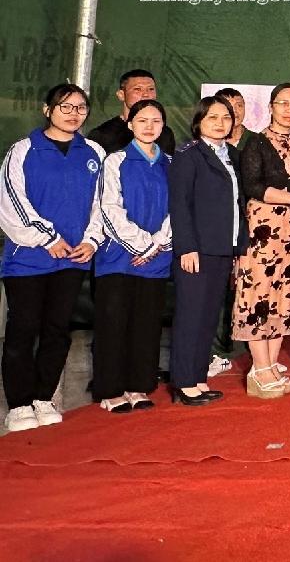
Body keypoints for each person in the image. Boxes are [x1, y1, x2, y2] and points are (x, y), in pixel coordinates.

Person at [0, 84, 104, 431]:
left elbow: (102, 203)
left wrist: (91, 240)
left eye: (80, 107)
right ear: (48, 110)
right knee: (23, 329)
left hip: (72, 260)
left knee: (58, 330)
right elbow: (11, 201)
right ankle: (19, 405)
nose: (74, 114)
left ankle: (43, 397)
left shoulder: (94, 152)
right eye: (65, 107)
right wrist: (48, 238)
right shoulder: (23, 150)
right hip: (28, 260)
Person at [235, 84, 290, 399]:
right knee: (259, 296)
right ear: (271, 106)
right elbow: (253, 186)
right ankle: (259, 369)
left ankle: (269, 363)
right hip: (263, 232)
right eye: (283, 103)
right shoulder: (256, 142)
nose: (289, 110)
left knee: (284, 295)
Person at [93, 99, 172, 413]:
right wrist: (142, 245)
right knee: (113, 324)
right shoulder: (115, 161)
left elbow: (178, 209)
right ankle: (110, 390)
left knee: (146, 325)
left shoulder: (171, 164)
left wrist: (157, 244)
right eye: (142, 120)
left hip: (157, 259)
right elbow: (109, 208)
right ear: (130, 124)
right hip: (118, 258)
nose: (149, 126)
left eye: (156, 121)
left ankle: (138, 386)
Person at [168, 96, 247, 406]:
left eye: (225, 117)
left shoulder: (233, 155)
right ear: (199, 121)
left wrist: (238, 247)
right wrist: (187, 247)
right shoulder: (188, 155)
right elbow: (180, 205)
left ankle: (198, 376)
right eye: (212, 117)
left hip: (224, 248)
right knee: (191, 315)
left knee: (208, 316)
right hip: (197, 250)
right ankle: (183, 381)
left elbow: (238, 206)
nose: (220, 123)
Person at [208, 87, 253, 377]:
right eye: (227, 106)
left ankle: (246, 349)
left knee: (245, 289)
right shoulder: (206, 147)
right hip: (217, 230)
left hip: (251, 227)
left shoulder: (256, 142)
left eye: (239, 105)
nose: (234, 111)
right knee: (216, 292)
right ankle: (214, 350)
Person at [89, 69, 177, 156]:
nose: (146, 94)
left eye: (151, 89)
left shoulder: (164, 133)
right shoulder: (102, 135)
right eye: (138, 89)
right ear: (121, 95)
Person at [215, 87, 255, 154]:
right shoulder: (209, 141)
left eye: (239, 105)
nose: (235, 111)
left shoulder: (257, 140)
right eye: (229, 106)